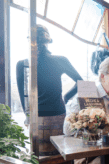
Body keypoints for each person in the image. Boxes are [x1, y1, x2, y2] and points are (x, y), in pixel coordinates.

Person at [16, 24, 83, 156]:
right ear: (48, 40)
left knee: (38, 159)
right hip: (59, 116)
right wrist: (66, 97)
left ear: (29, 41)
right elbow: (81, 83)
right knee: (60, 157)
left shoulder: (22, 64)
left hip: (36, 119)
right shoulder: (60, 60)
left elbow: (23, 97)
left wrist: (28, 116)